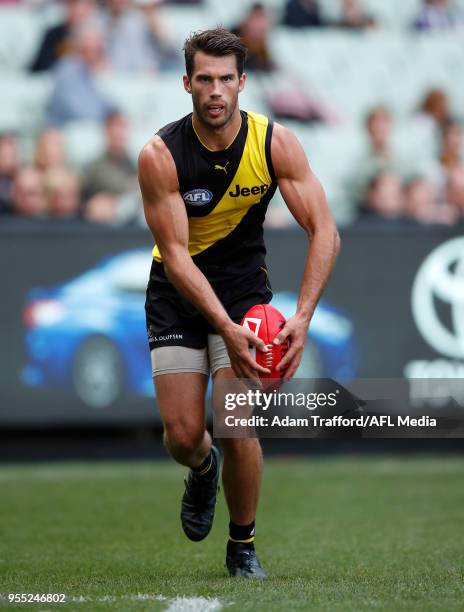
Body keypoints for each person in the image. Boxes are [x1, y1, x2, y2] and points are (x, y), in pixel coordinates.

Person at [138, 28, 339, 579]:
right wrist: (222, 327)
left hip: (245, 294)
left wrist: (302, 315)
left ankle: (242, 543)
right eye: (205, 79)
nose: (216, 90)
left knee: (234, 421)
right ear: (187, 83)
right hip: (178, 294)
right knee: (183, 436)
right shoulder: (160, 155)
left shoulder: (275, 144)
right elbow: (177, 258)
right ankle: (202, 469)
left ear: (243, 82)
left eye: (227, 78)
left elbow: (325, 230)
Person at [30, 0, 96, 72]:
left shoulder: (96, 37)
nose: (77, 10)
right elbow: (42, 64)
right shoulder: (54, 34)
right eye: (73, 5)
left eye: (83, 6)